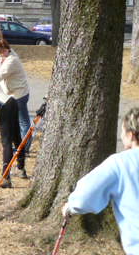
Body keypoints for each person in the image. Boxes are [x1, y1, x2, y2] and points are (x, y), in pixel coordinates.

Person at [62, 107, 139, 254]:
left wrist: (71, 206)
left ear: (131, 135)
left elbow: (86, 196)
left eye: (123, 131)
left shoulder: (120, 163)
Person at [0, 39, 32, 156]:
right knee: (16, 122)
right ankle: (20, 146)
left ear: (8, 48)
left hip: (20, 94)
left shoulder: (12, 60)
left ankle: (25, 148)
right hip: (11, 94)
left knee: (23, 122)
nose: (2, 53)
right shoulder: (1, 59)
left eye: (4, 51)